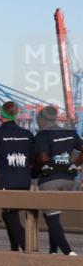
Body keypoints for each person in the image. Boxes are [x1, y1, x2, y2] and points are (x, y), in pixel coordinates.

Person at [0, 101, 34, 251]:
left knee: (9, 215)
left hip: (6, 181)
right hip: (25, 181)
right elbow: (32, 158)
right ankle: (14, 248)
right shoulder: (27, 134)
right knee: (11, 214)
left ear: (0, 115)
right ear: (16, 114)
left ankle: (27, 248)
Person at [33, 105, 81, 256]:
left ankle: (69, 252)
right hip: (69, 179)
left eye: (37, 119)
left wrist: (36, 171)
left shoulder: (42, 135)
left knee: (52, 218)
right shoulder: (69, 132)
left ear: (42, 119)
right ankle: (53, 251)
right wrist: (74, 164)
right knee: (51, 216)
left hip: (51, 180)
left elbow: (42, 158)